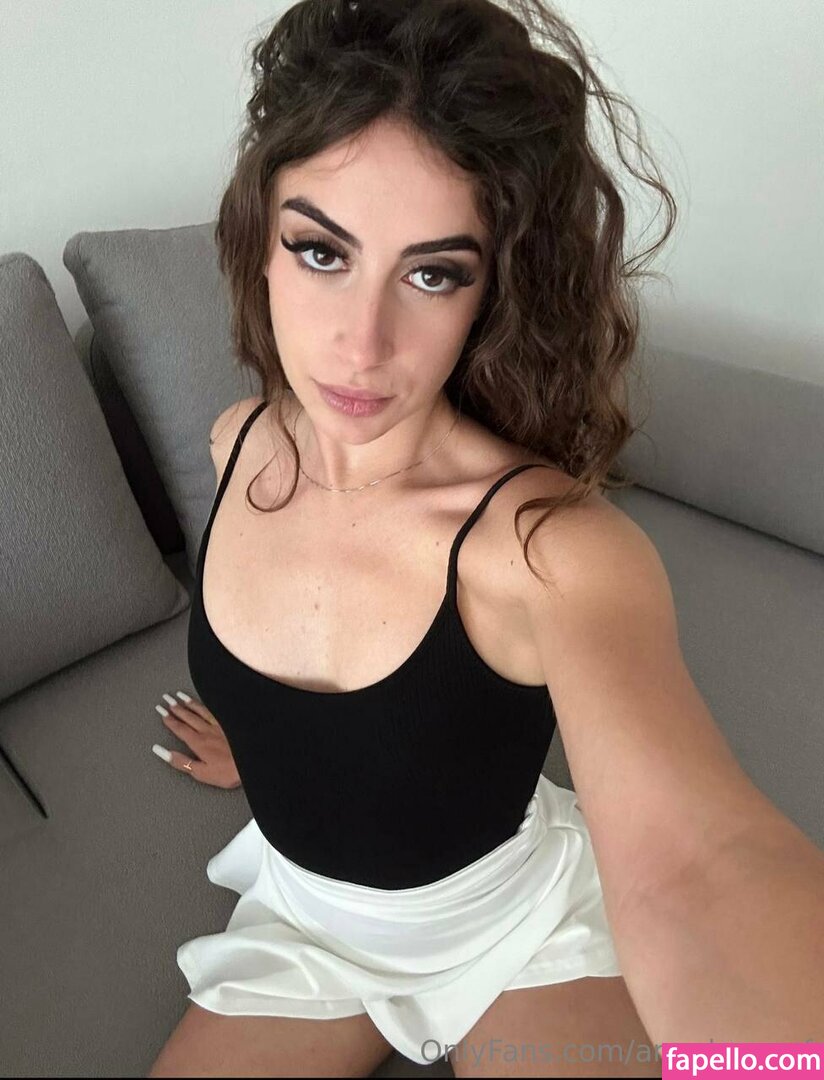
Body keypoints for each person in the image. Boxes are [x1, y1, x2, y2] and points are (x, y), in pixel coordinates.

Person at [148, 1, 824, 1076]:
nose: (362, 344)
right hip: (304, 925)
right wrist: (276, 751)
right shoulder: (236, 446)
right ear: (257, 245)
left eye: (432, 273)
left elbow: (698, 869)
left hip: (517, 934)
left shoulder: (552, 549)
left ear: (489, 293)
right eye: (320, 251)